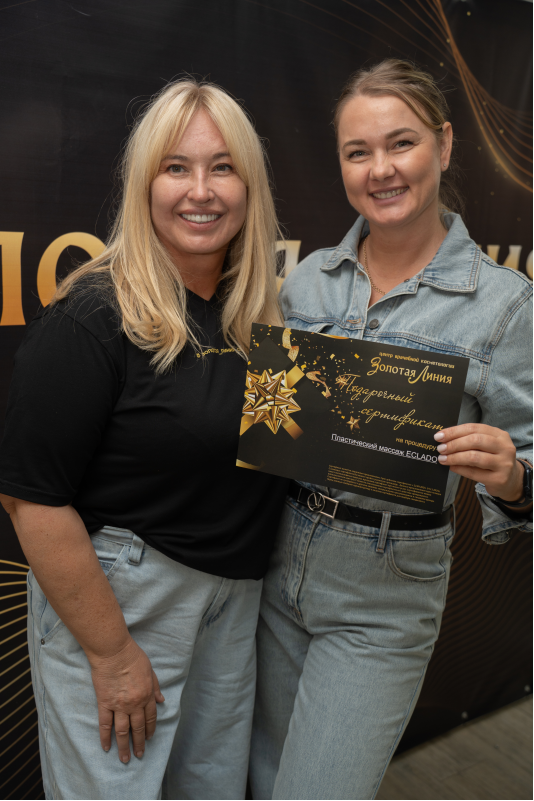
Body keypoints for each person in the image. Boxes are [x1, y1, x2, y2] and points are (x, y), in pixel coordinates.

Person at [249, 59, 532, 800]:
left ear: (444, 143)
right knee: (265, 781)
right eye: (358, 151)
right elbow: (274, 417)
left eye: (401, 143)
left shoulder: (505, 305)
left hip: (386, 588)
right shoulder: (307, 280)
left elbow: (528, 474)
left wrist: (513, 475)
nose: (381, 169)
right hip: (277, 561)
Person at [0, 79, 288, 800]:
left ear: (249, 187)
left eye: (223, 167)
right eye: (176, 167)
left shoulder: (259, 317)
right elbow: (30, 500)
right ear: (144, 185)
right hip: (123, 605)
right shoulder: (93, 316)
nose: (202, 190)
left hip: (233, 606)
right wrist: (113, 653)